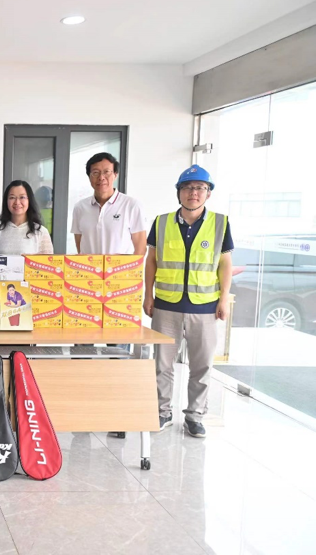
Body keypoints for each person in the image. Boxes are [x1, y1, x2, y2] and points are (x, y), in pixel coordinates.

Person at [144, 165, 233, 439]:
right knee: (162, 364)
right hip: (166, 305)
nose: (193, 193)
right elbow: (151, 260)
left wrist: (224, 299)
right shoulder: (161, 222)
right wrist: (148, 294)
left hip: (205, 307)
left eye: (199, 188)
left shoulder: (220, 223)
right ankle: (162, 412)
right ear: (179, 192)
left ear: (208, 193)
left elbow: (225, 263)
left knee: (202, 365)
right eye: (187, 187)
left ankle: (195, 416)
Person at [71, 153, 147, 256]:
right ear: (89, 177)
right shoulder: (80, 208)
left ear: (115, 175)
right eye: (95, 173)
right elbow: (80, 247)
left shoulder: (132, 205)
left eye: (106, 172)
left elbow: (140, 249)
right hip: (88, 266)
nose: (101, 177)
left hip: (120, 267)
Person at [0, 180, 54, 254]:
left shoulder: (41, 232)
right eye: (12, 197)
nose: (17, 202)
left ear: (29, 200)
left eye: (22, 197)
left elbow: (47, 260)